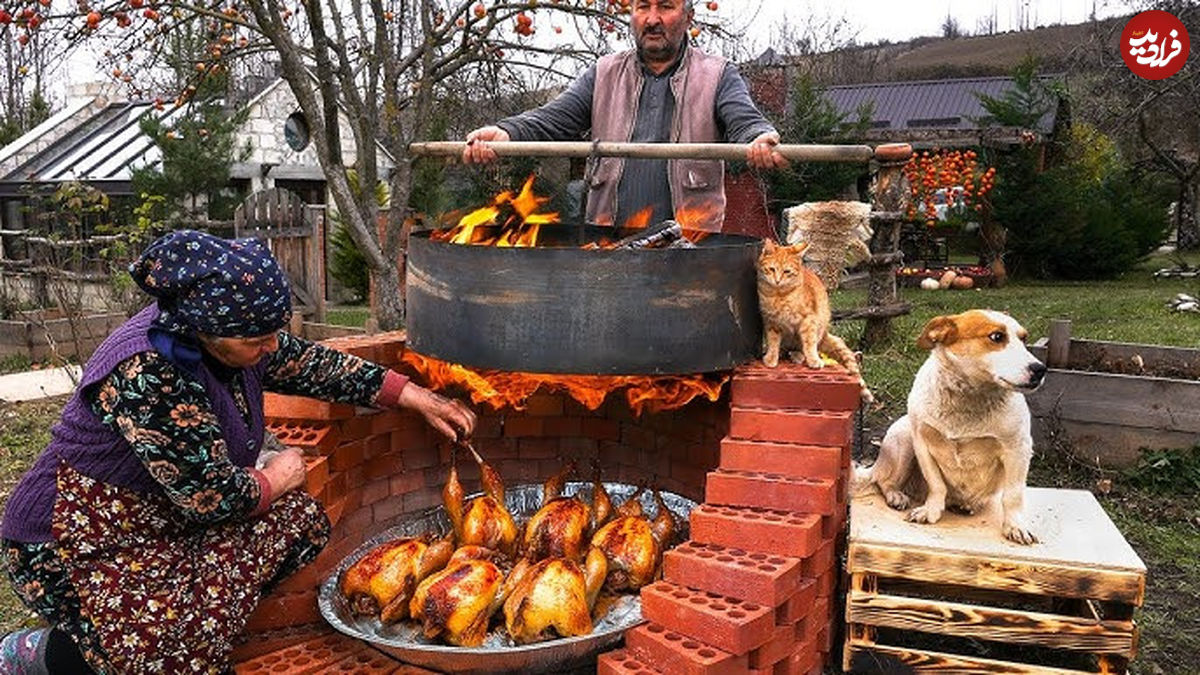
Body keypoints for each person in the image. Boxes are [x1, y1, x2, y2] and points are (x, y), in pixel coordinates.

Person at [0, 230, 476, 674]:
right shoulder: (148, 372)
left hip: (164, 520)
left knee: (298, 524)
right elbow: (211, 498)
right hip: (73, 537)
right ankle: (40, 653)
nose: (270, 347)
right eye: (255, 341)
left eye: (273, 332)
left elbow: (312, 364)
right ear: (202, 328)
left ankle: (184, 619)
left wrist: (416, 396)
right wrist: (279, 476)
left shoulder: (234, 335)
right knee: (164, 656)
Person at [462, 0, 789, 232]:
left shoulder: (718, 74)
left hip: (690, 248)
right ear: (631, 15)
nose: (652, 18)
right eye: (643, 6)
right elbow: (553, 118)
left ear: (688, 17)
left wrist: (758, 138)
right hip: (609, 243)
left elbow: (744, 120)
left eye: (666, 6)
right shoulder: (604, 73)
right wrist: (505, 133)